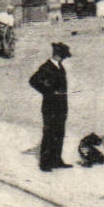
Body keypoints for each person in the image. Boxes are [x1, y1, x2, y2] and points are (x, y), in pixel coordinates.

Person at [28, 42, 74, 171]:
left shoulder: (60, 67)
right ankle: (45, 163)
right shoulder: (46, 67)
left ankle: (56, 160)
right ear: (58, 55)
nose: (64, 59)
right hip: (50, 107)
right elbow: (33, 81)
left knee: (59, 133)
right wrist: (48, 91)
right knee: (49, 134)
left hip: (61, 106)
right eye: (63, 56)